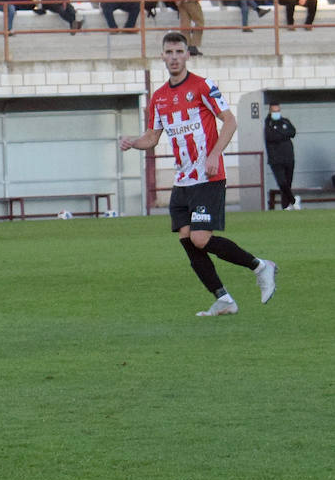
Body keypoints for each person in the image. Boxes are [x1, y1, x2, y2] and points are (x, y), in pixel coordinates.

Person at [118, 32, 277, 317]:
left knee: (200, 238)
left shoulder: (203, 86)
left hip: (208, 176)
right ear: (162, 56)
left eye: (179, 51)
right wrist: (133, 142)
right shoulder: (158, 98)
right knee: (186, 238)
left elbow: (229, 121)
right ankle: (224, 299)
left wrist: (215, 153)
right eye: (169, 52)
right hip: (183, 181)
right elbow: (152, 138)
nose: (174, 57)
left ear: (187, 55)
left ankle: (261, 267)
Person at [264, 103, 298, 210]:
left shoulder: (285, 121)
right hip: (276, 159)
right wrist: (284, 134)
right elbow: (271, 137)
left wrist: (281, 132)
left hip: (289, 157)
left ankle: (285, 206)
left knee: (288, 183)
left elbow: (292, 132)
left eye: (278, 110)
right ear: (270, 111)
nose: (276, 113)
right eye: (274, 111)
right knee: (282, 182)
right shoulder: (268, 124)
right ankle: (294, 201)